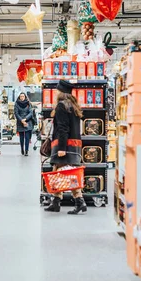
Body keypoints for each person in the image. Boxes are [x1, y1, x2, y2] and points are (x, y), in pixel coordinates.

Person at [44, 80, 87, 215]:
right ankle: (56, 201)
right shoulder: (73, 105)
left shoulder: (62, 106)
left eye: (57, 90)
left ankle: (79, 201)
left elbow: (63, 128)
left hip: (64, 144)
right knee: (59, 170)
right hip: (74, 144)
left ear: (61, 92)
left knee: (67, 173)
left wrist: (62, 148)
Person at [14, 92, 34, 156]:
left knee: (27, 137)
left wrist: (25, 119)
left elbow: (30, 113)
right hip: (20, 122)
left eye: (23, 96)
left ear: (25, 97)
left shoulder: (28, 103)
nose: (22, 97)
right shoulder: (17, 104)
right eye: (21, 96)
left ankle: (26, 150)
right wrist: (21, 120)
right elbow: (16, 113)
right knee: (21, 137)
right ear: (19, 97)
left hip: (27, 121)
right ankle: (22, 148)